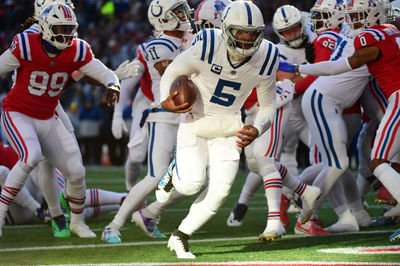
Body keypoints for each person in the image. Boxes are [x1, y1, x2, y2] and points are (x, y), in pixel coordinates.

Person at [155, 1, 278, 259]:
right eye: (240, 34)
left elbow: (268, 106)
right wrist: (166, 97)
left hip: (229, 123)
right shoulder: (209, 44)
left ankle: (180, 236)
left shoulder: (268, 56)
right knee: (190, 185)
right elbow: (175, 69)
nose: (246, 41)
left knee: (220, 191)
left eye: (252, 34)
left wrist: (257, 128)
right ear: (225, 29)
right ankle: (171, 174)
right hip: (195, 118)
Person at [279, 0, 400, 242]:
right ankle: (313, 215)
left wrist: (298, 68)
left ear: (376, 14)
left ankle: (322, 212)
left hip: (360, 100)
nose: (353, 21)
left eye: (360, 15)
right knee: (341, 162)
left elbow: (339, 68)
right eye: (351, 16)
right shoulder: (389, 32)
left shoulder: (369, 37)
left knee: (361, 161)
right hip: (329, 101)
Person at [0, 3, 120, 238]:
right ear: (45, 27)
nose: (67, 34)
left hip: (48, 115)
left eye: (70, 28)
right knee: (32, 155)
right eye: (61, 28)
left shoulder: (77, 49)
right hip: (19, 112)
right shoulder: (26, 44)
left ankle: (75, 221)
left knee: (76, 171)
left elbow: (103, 71)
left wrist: (112, 83)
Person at [101, 0, 194, 243]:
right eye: (178, 12)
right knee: (155, 176)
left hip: (188, 117)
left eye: (183, 9)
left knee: (193, 179)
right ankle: (113, 225)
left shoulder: (190, 39)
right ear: (163, 19)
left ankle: (150, 214)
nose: (184, 15)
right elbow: (176, 76)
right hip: (164, 115)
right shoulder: (158, 45)